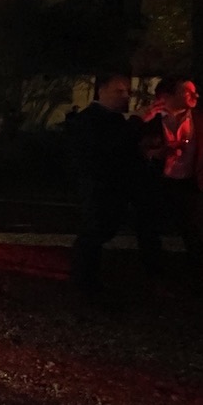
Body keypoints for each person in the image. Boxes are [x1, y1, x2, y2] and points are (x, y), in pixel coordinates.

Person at [69, 73, 154, 292]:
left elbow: (124, 148)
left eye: (127, 92)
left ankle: (89, 277)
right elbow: (110, 147)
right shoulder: (90, 119)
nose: (125, 96)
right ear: (101, 91)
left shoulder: (113, 118)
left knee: (103, 230)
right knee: (94, 231)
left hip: (112, 186)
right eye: (119, 91)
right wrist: (136, 122)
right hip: (98, 186)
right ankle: (84, 280)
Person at [143, 75, 203, 272]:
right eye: (187, 91)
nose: (196, 95)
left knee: (196, 232)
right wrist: (153, 154)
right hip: (157, 183)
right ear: (166, 96)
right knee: (150, 228)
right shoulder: (148, 119)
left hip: (190, 184)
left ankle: (200, 273)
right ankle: (154, 271)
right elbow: (133, 148)